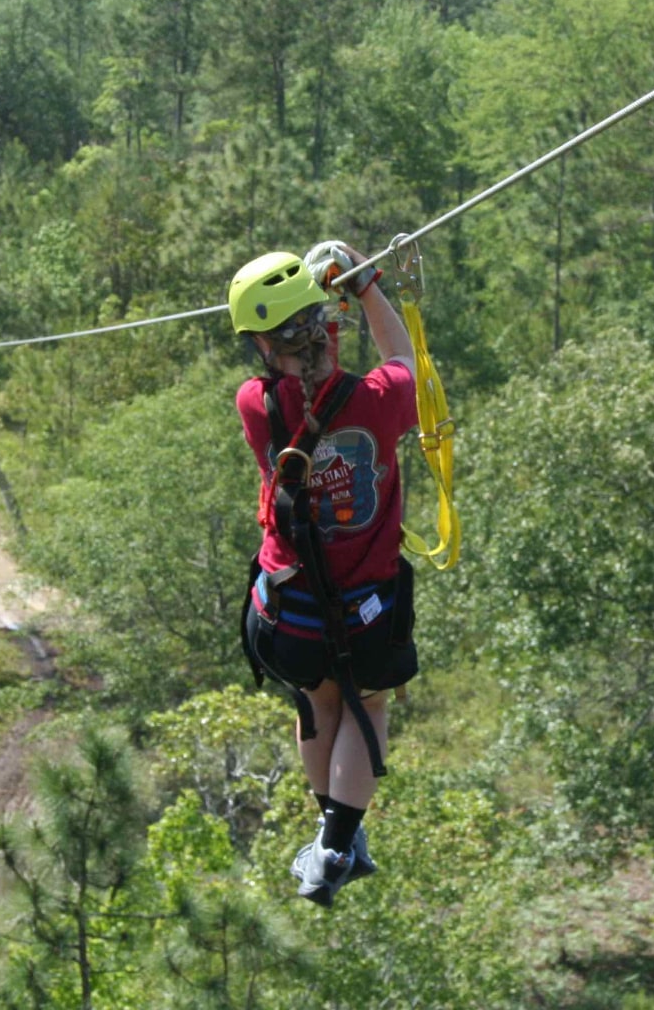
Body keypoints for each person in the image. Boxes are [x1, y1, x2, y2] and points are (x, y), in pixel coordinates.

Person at [230, 242, 419, 908]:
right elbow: (406, 363)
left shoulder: (256, 405)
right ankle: (339, 840)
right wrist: (365, 286)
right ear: (326, 322)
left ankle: (330, 835)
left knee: (320, 703)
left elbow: (290, 370)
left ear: (261, 345)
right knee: (366, 704)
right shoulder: (382, 399)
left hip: (292, 611)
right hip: (369, 606)